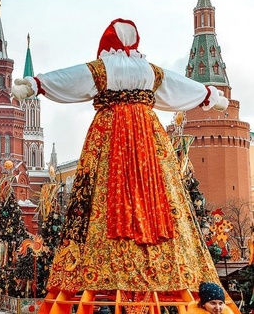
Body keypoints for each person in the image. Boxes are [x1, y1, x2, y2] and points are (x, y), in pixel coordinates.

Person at [11, 19, 227, 297]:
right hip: (148, 140)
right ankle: (164, 266)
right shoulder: (148, 71)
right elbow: (179, 87)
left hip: (109, 136)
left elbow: (71, 78)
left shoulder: (102, 68)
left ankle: (101, 267)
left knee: (102, 191)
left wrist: (34, 85)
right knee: (159, 191)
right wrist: (211, 95)